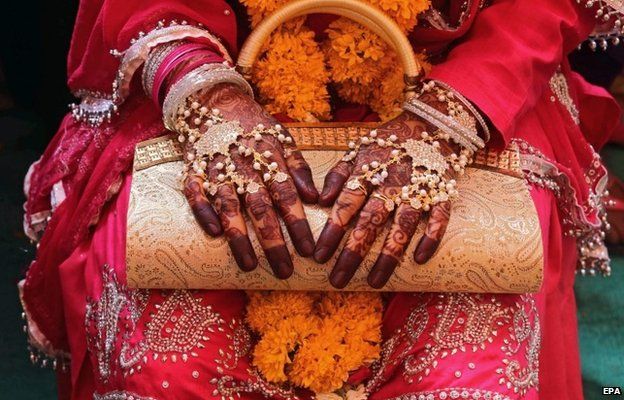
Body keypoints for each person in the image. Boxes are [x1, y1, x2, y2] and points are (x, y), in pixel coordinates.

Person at [19, 0, 620, 399]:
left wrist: (453, 116)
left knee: (466, 372)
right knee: (169, 366)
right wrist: (206, 97)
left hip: (458, 85)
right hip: (217, 78)